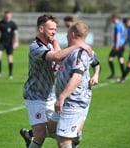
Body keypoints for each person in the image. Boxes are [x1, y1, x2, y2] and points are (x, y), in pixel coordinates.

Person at [21, 14, 92, 148]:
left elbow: (60, 59)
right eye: (51, 29)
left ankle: (28, 134)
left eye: (55, 29)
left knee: (62, 133)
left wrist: (55, 42)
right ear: (41, 29)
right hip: (35, 95)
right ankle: (33, 136)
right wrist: (78, 45)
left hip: (51, 95)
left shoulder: (52, 44)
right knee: (41, 136)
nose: (54, 32)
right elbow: (56, 56)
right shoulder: (35, 47)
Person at [53, 20, 94, 148]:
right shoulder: (77, 50)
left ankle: (75, 135)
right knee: (50, 128)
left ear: (73, 34)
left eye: (67, 31)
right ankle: (76, 134)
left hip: (72, 101)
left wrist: (62, 97)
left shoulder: (79, 53)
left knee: (63, 141)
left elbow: (76, 77)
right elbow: (96, 62)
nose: (65, 34)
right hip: (73, 101)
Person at [0, 11, 19, 79]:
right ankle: (0, 71)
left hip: (9, 43)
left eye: (8, 15)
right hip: (2, 43)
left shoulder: (13, 24)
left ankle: (10, 74)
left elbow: (16, 34)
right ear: (4, 16)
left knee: (10, 59)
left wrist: (16, 42)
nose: (7, 17)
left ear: (11, 16)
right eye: (6, 15)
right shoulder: (0, 23)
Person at [107, 13, 125, 79]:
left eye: (112, 19)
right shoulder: (121, 25)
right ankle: (123, 74)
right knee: (121, 59)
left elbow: (118, 35)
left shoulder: (117, 26)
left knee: (110, 58)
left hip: (118, 45)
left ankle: (113, 73)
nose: (111, 20)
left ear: (115, 18)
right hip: (122, 45)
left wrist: (116, 45)